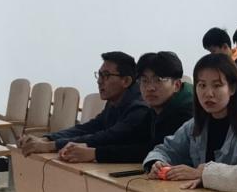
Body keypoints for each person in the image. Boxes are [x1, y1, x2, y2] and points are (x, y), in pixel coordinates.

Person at [64, 51, 193, 164]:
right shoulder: (155, 109)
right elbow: (130, 138)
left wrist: (95, 153)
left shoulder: (186, 112)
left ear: (176, 85)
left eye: (158, 80)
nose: (150, 88)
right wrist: (86, 146)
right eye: (144, 80)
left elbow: (153, 150)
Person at [19, 52, 148, 156]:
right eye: (99, 75)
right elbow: (89, 128)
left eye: (106, 76)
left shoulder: (139, 107)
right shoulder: (115, 100)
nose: (99, 81)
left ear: (126, 81)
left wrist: (50, 146)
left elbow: (107, 137)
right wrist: (47, 139)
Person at [143, 53, 237, 174]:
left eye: (217, 85)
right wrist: (157, 162)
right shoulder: (194, 125)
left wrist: (202, 173)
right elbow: (167, 150)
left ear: (232, 88)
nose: (208, 93)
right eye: (202, 85)